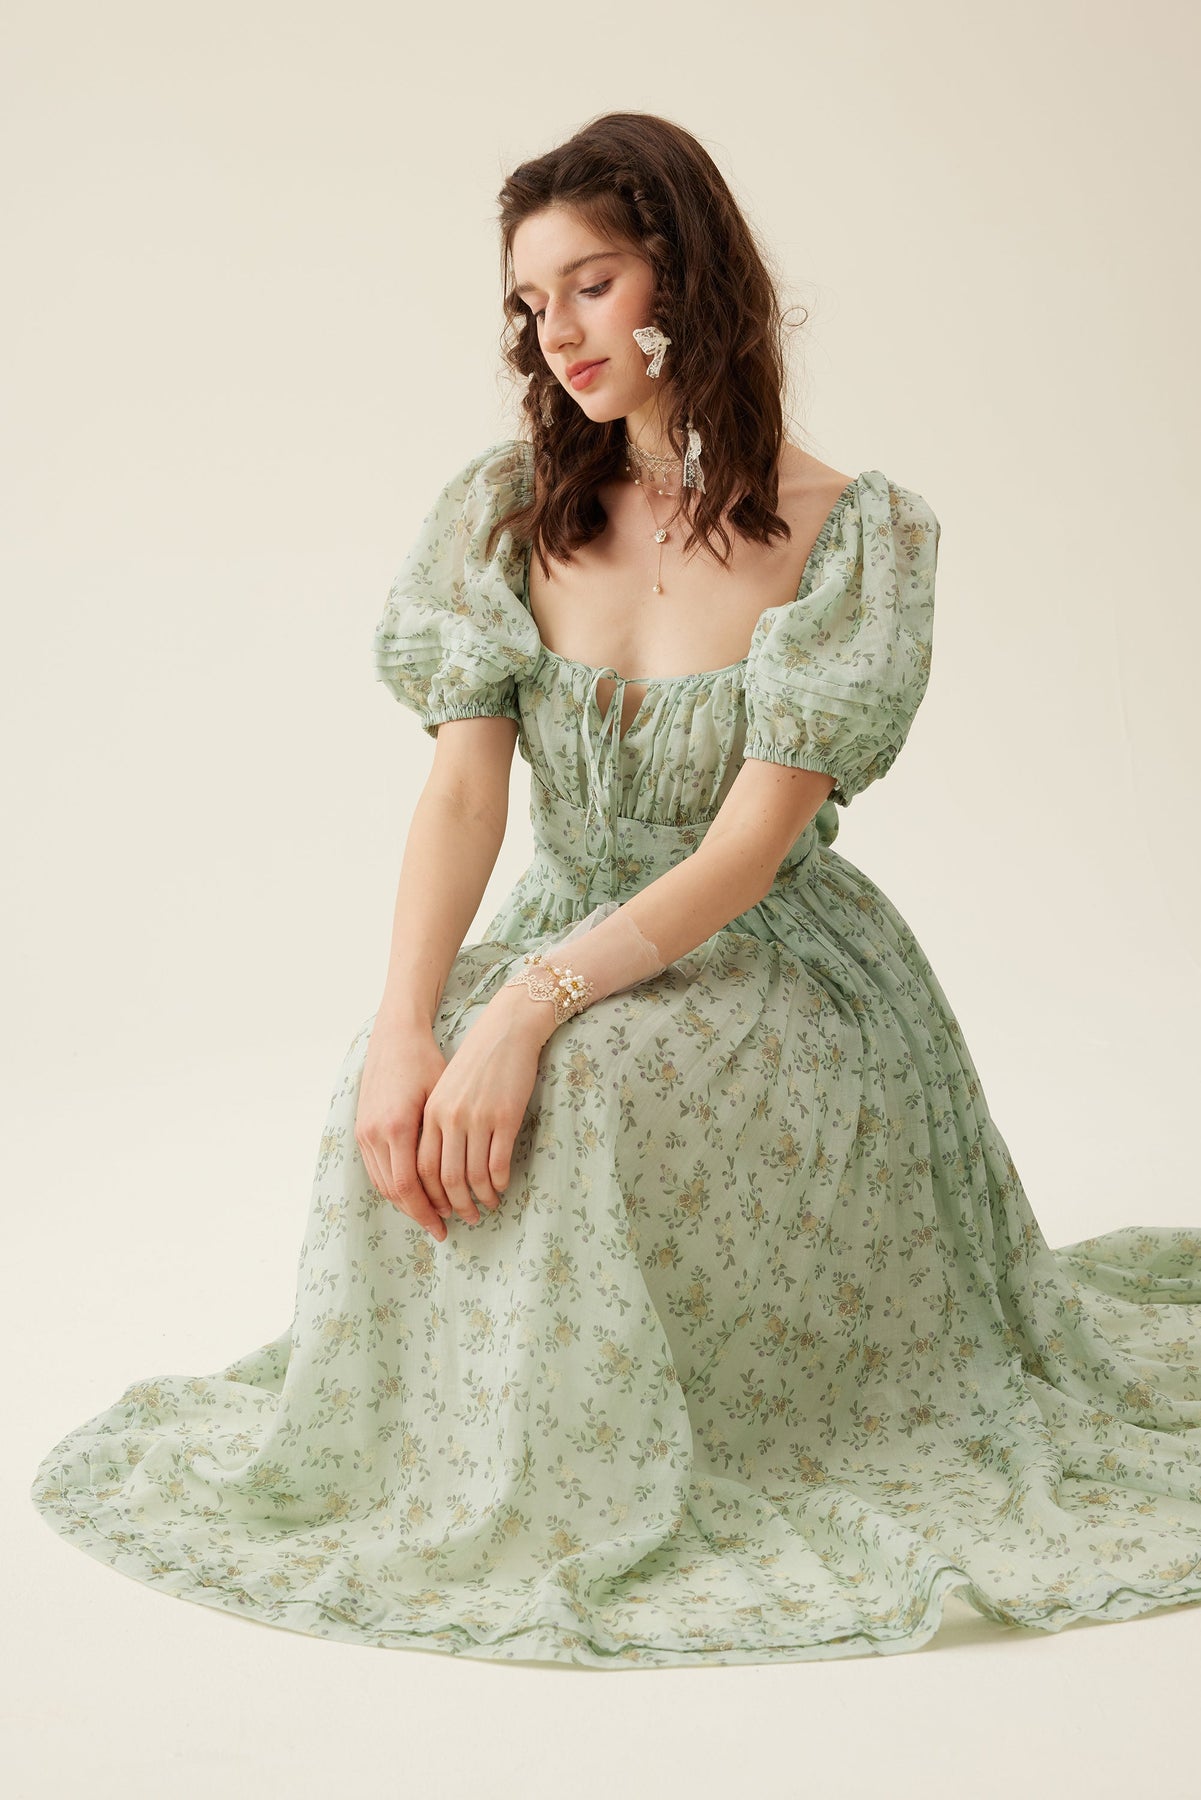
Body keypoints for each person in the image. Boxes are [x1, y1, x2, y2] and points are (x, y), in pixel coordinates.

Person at [30, 111, 1201, 1670]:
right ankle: (466, 1458)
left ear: (684, 273)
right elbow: (465, 794)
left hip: (768, 957)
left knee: (567, 1090)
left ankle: (613, 1471)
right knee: (394, 1080)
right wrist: (408, 1022)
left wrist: (529, 1006)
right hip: (563, 915)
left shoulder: (847, 533)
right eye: (531, 303)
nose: (557, 333)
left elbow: (744, 854)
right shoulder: (505, 513)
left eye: (590, 284)